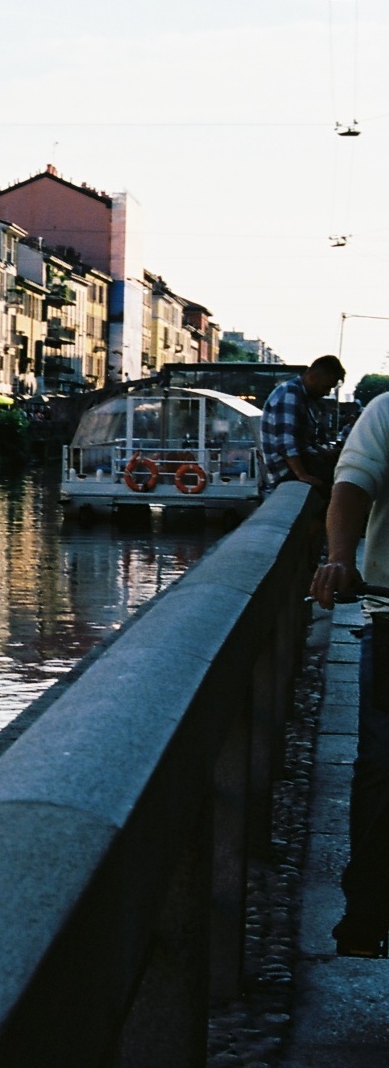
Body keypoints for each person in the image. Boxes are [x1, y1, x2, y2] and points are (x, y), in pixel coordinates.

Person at [313, 388, 389, 955]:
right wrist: (340, 554)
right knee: (382, 769)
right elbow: (352, 486)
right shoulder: (386, 412)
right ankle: (365, 917)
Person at [262, 355, 345, 491]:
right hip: (286, 472)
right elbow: (286, 441)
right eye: (326, 387)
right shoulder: (290, 393)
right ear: (313, 377)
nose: (327, 392)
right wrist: (302, 475)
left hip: (297, 466)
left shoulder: (302, 396)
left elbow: (303, 439)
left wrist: (324, 452)